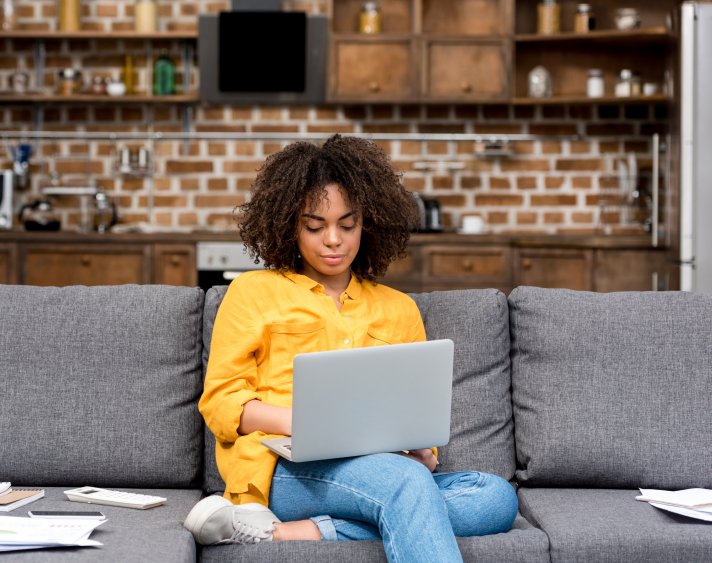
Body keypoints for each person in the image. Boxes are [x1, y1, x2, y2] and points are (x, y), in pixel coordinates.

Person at [183, 134, 518, 562]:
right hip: (286, 469)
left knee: (494, 497)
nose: (333, 241)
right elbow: (222, 402)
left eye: (347, 224)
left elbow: (418, 420)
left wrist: (420, 453)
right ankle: (337, 510)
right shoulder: (253, 292)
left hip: (382, 469)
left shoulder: (398, 309)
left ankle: (290, 534)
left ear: (368, 223)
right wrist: (308, 423)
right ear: (289, 224)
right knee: (405, 486)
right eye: (315, 226)